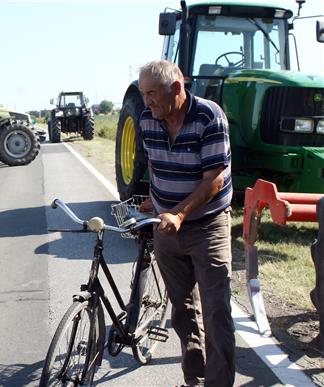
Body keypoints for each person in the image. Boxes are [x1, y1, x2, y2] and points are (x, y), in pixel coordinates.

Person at [137, 60, 235, 387]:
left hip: (207, 226)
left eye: (152, 93)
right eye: (143, 94)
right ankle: (194, 378)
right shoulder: (148, 120)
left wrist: (179, 213)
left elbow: (214, 182)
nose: (147, 101)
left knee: (216, 313)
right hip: (167, 228)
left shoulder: (209, 117)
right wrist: (156, 196)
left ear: (176, 88)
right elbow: (154, 162)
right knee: (181, 310)